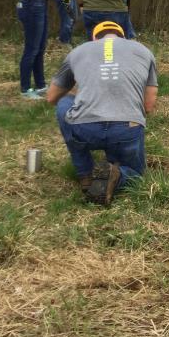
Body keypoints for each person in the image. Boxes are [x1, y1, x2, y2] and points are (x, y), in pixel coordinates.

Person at [46, 21, 157, 206]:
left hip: (84, 128)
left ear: (94, 38)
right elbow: (149, 105)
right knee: (137, 175)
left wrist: (80, 93)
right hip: (126, 128)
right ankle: (117, 174)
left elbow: (51, 97)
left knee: (64, 103)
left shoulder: (78, 51)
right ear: (123, 36)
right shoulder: (143, 51)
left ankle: (86, 174)